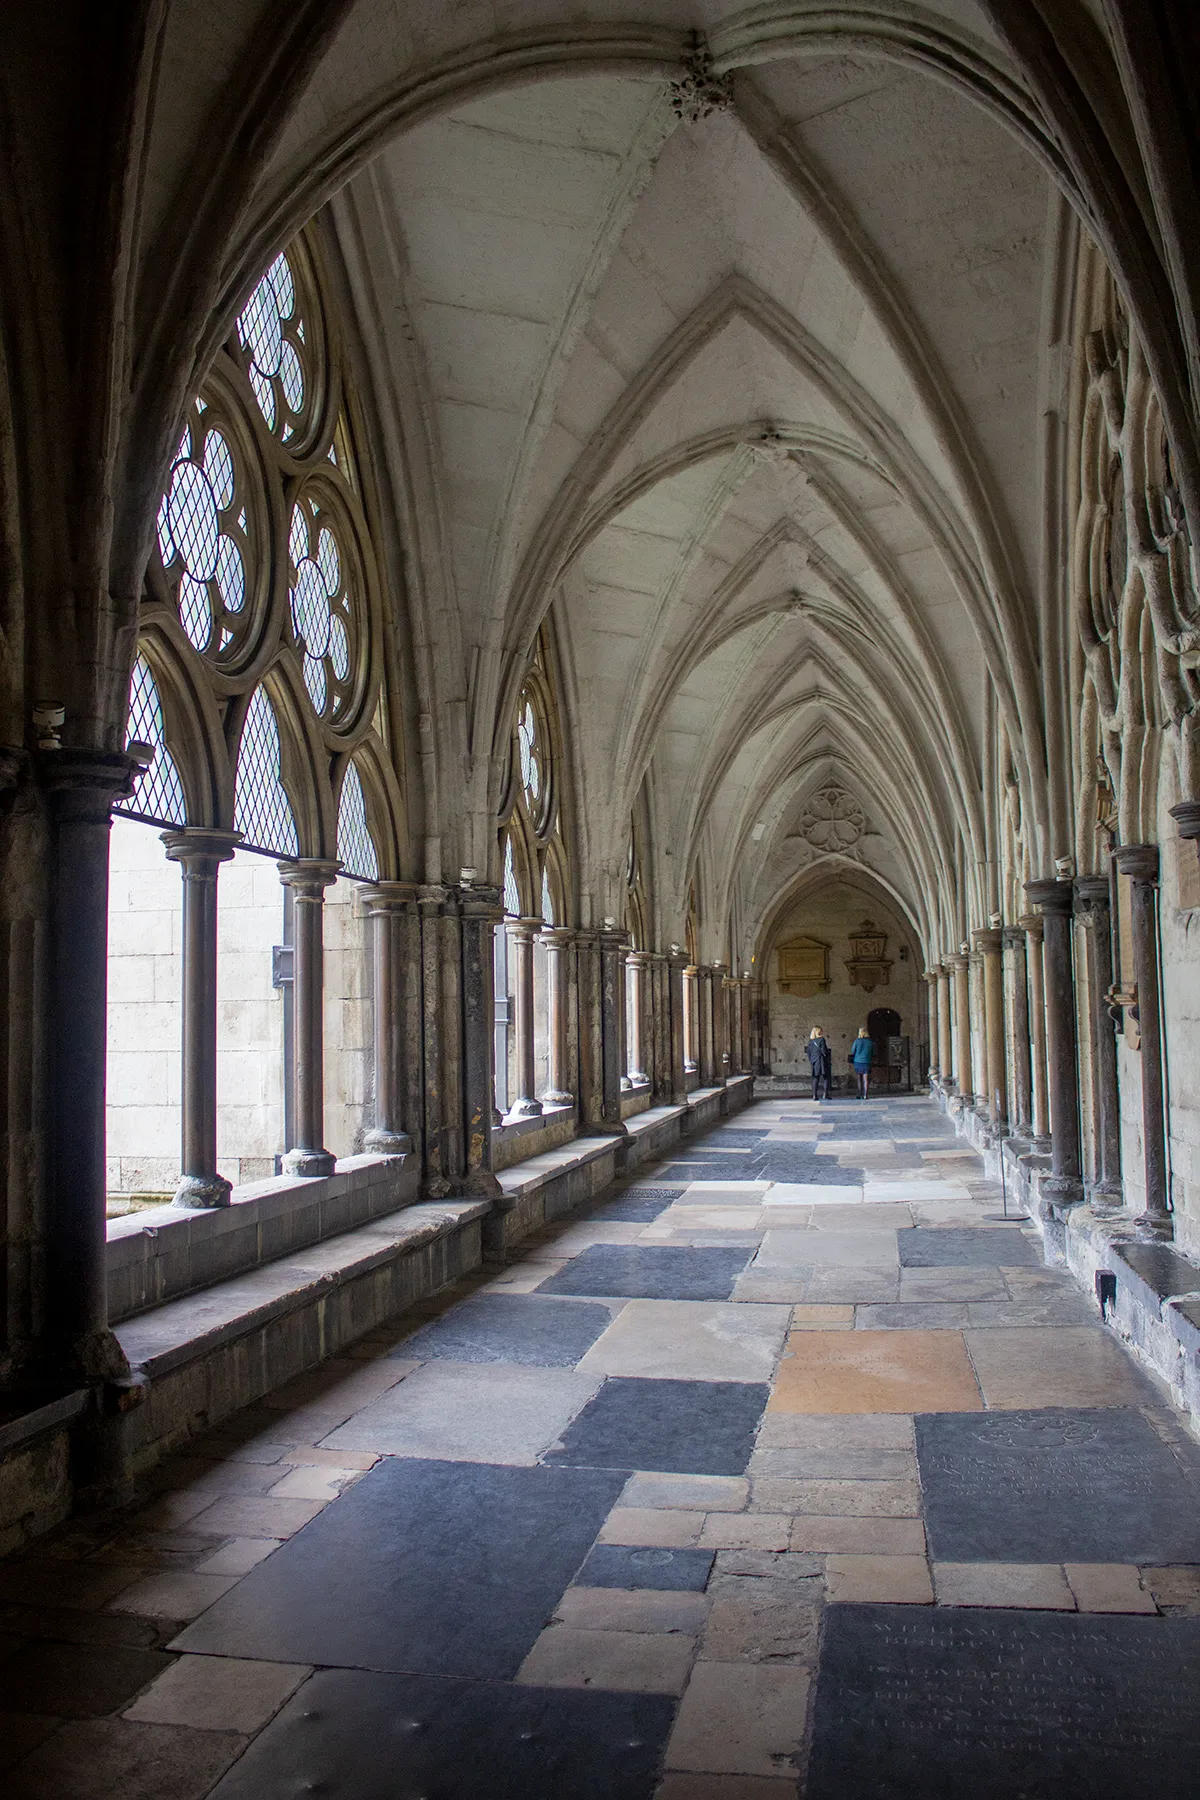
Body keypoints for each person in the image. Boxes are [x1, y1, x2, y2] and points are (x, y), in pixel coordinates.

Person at [805, 1025, 832, 1100]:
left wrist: (812, 1060)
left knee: (815, 1078)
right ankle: (825, 1094)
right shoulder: (821, 1040)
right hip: (822, 1061)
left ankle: (814, 1095)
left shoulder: (810, 1041)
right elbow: (824, 1051)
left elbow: (809, 1052)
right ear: (818, 1031)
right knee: (826, 1077)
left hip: (814, 1061)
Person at [850, 1026, 875, 1099]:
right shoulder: (870, 1042)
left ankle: (859, 1093)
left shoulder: (857, 1041)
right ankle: (865, 1095)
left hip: (858, 1061)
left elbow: (852, 1051)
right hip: (867, 1061)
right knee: (866, 1079)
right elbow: (873, 1052)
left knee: (859, 1078)